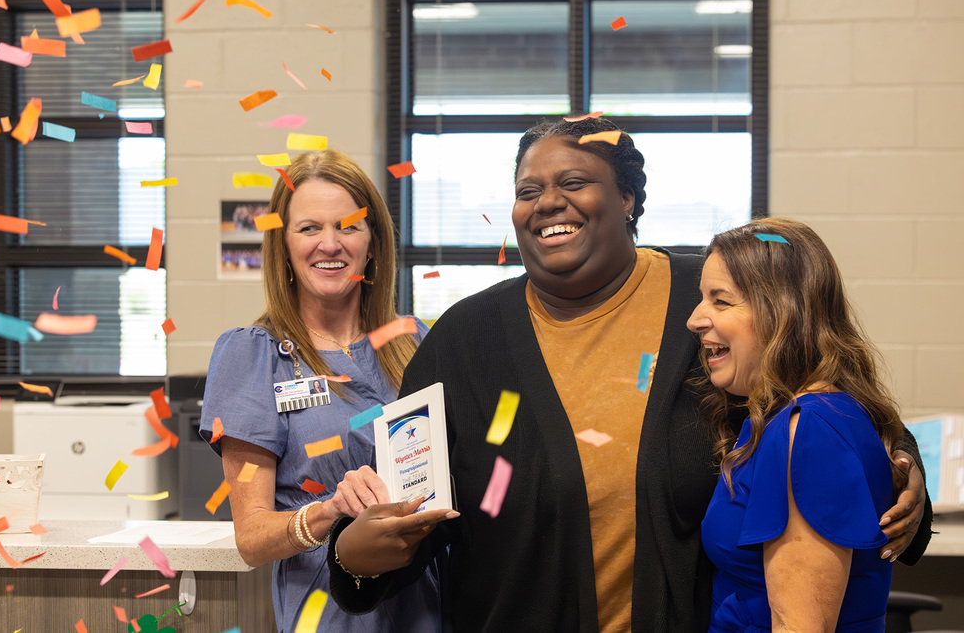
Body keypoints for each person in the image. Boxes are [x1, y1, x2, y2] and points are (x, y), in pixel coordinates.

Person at [327, 117, 931, 633]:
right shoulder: (464, 341)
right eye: (528, 188)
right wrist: (354, 555)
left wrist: (901, 464)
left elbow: (829, 394)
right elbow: (407, 510)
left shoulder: (712, 303)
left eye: (574, 183)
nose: (547, 203)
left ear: (628, 199)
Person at [199, 149, 441, 633]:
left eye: (348, 226)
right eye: (309, 228)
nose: (330, 244)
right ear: (283, 245)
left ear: (372, 243)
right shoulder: (254, 357)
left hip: (430, 608)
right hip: (332, 615)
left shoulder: (416, 341)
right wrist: (332, 510)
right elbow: (251, 539)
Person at [688, 218, 908, 631]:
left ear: (782, 311)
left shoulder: (808, 430)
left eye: (721, 301)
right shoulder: (789, 417)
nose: (695, 319)